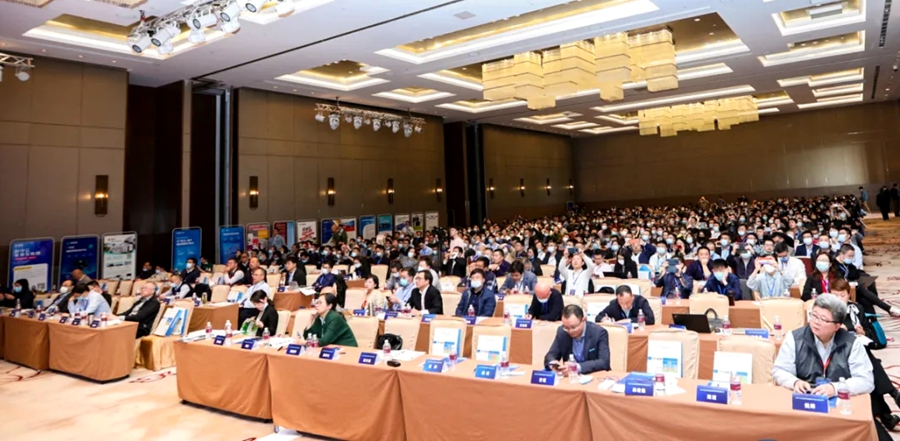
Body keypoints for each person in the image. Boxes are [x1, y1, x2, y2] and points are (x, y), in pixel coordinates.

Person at [772, 294, 873, 397]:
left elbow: (866, 380)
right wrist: (794, 382)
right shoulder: (794, 339)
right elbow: (780, 370)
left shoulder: (852, 344)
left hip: (838, 399)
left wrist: (835, 388)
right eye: (814, 315)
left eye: (823, 319)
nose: (816, 322)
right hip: (805, 396)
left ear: (837, 326)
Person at [544, 305, 611, 375]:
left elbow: (604, 362)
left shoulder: (599, 332)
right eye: (566, 327)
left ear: (583, 320)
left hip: (594, 375)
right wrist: (553, 363)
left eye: (573, 327)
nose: (570, 331)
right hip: (571, 377)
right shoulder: (562, 332)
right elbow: (551, 355)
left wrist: (577, 367)